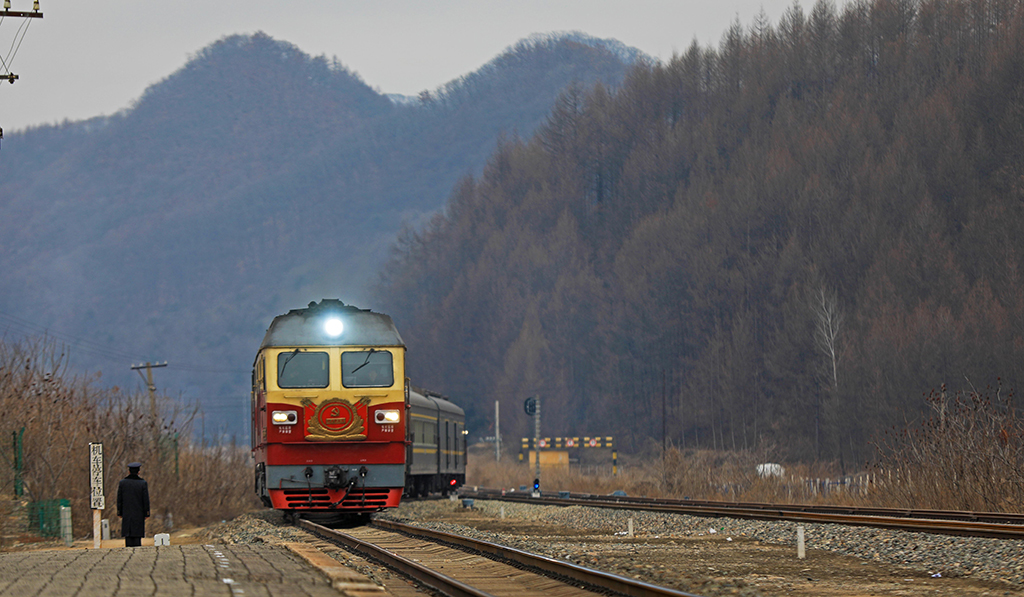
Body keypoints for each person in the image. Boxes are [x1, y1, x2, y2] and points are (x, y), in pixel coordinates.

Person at [116, 461, 150, 547]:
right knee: (137, 534)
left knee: (128, 534)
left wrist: (119, 511)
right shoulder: (142, 483)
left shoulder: (123, 483)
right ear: (139, 472)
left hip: (126, 512)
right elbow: (145, 499)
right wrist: (146, 512)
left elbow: (119, 499)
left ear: (129, 471)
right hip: (139, 513)